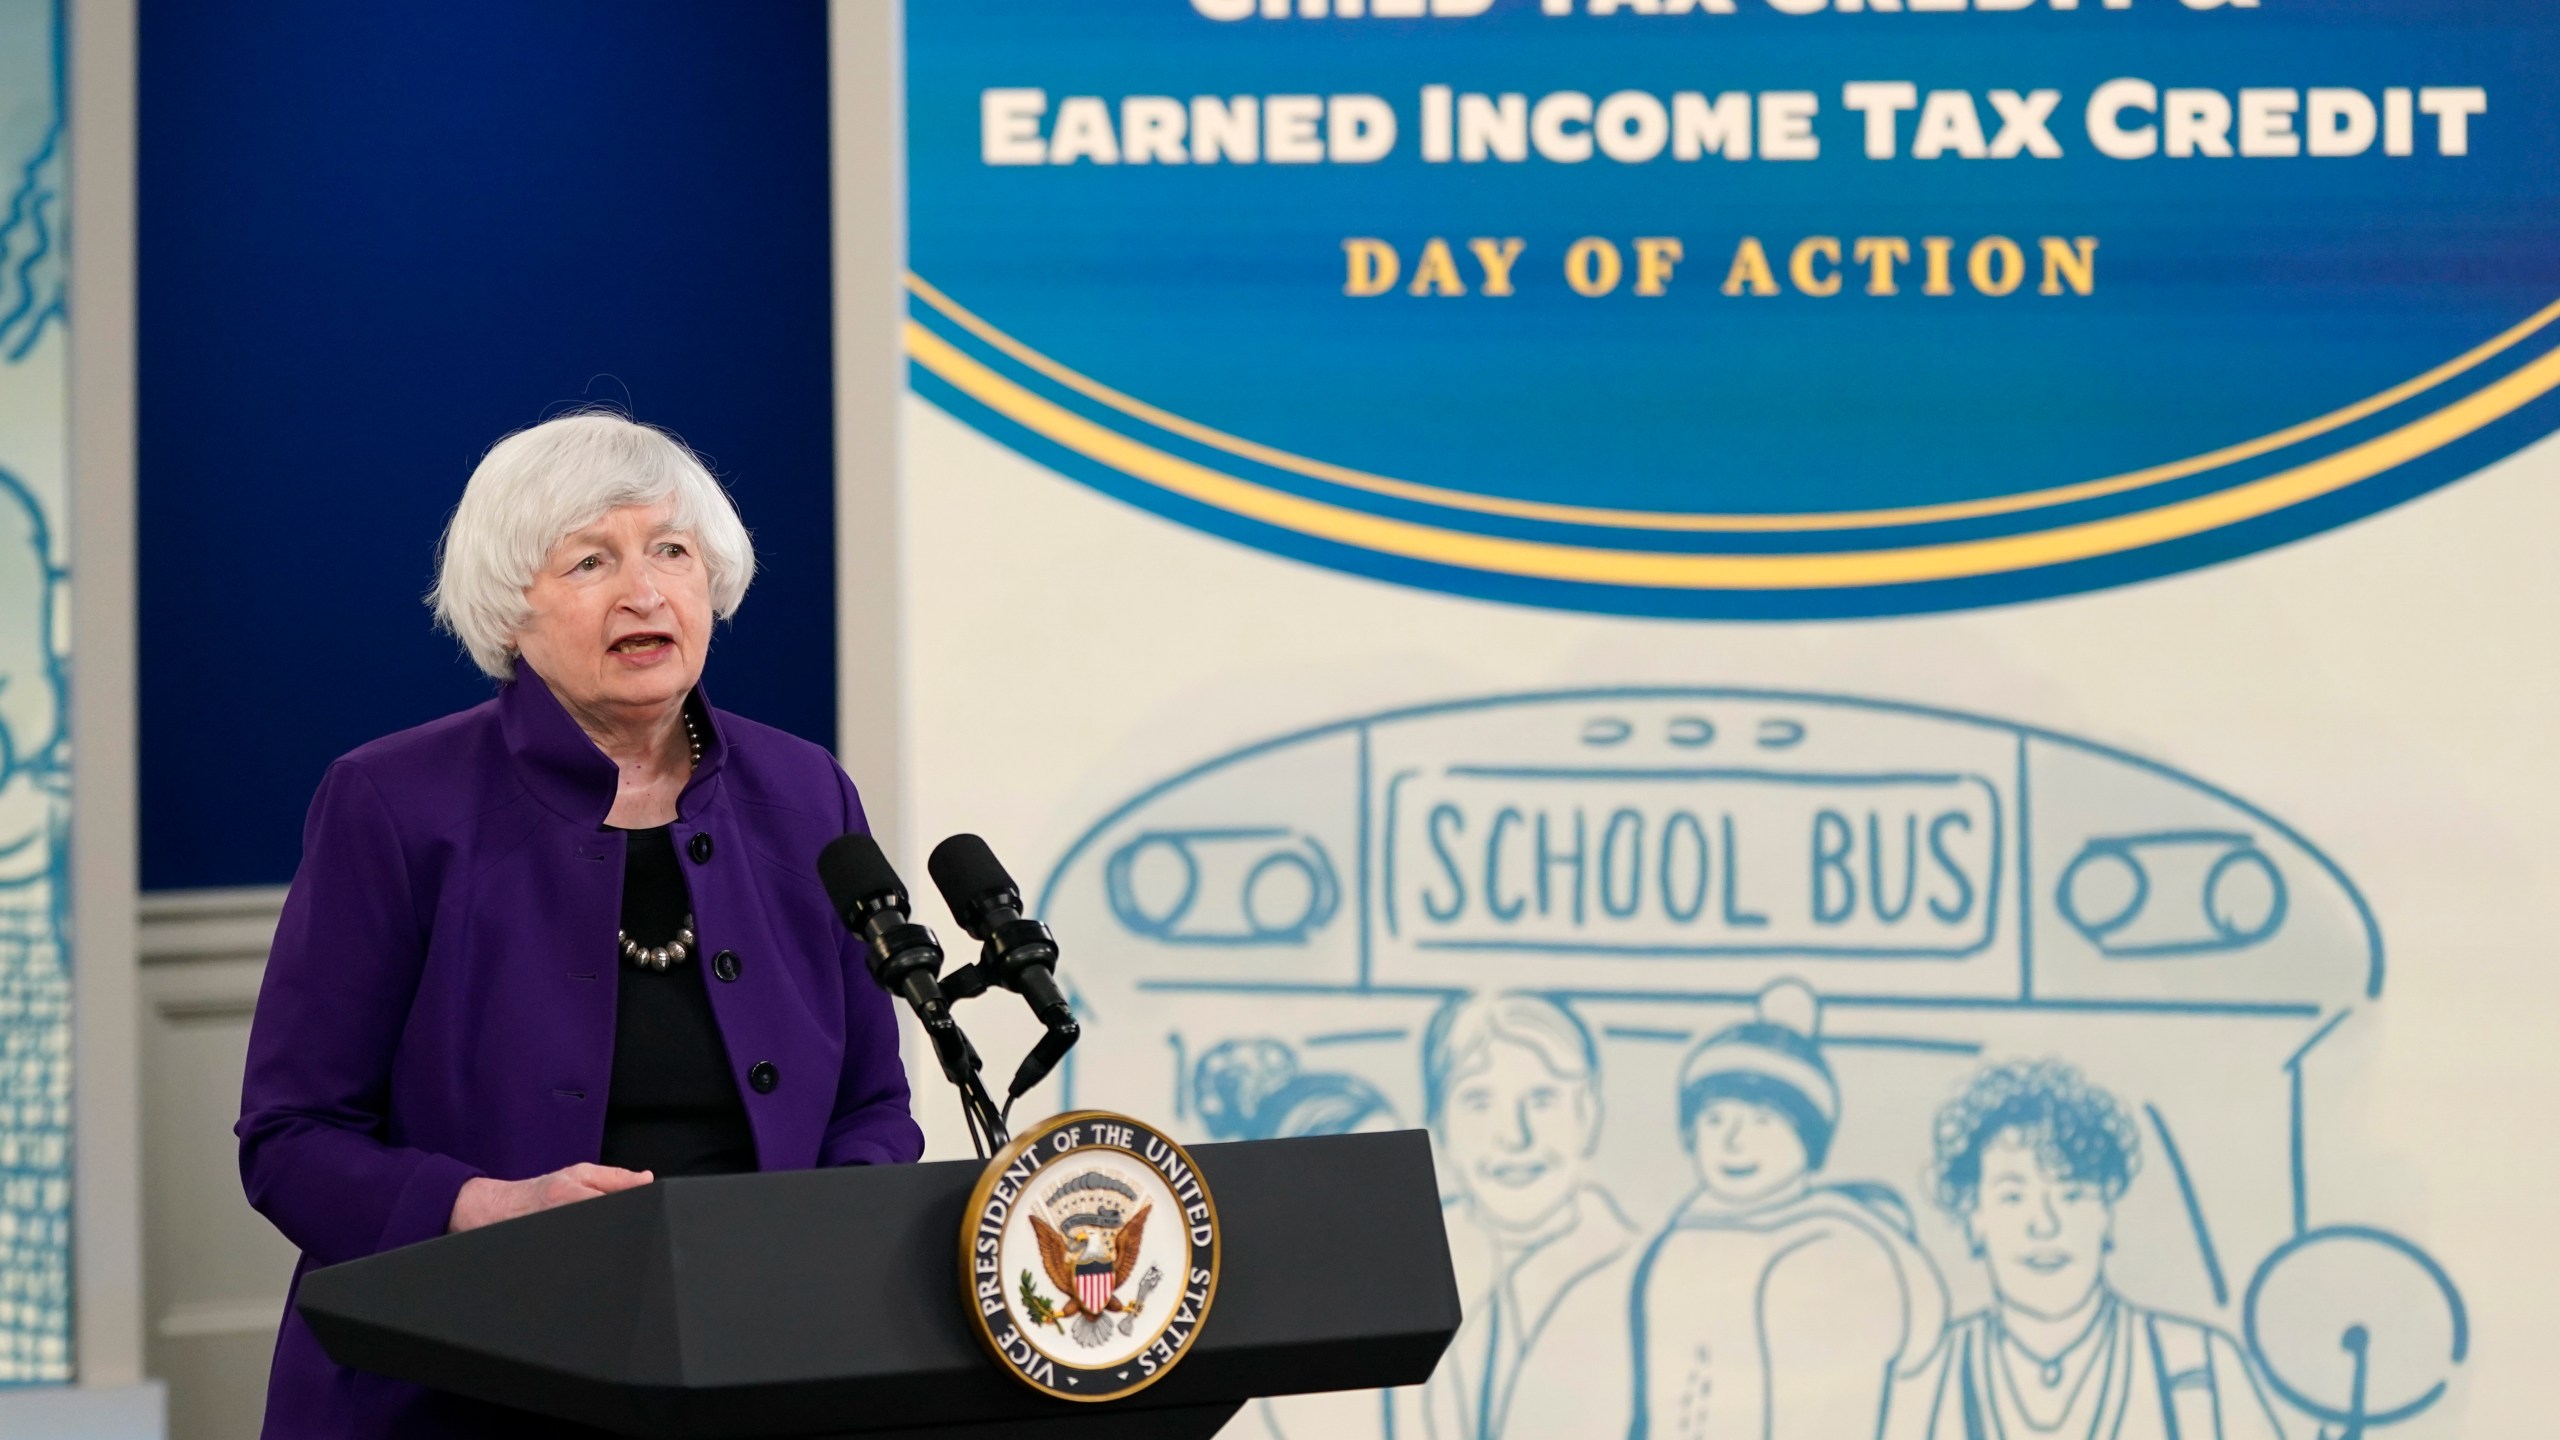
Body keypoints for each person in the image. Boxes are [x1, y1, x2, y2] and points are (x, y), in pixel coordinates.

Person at [235, 412, 924, 1438]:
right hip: (461, 1379)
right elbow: (289, 1139)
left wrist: (813, 1244)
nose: (644, 591)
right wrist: (482, 1211)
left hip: (758, 1377)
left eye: (672, 553)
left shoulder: (806, 792)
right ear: (510, 612)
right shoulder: (393, 801)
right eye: (591, 561)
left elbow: (872, 1105)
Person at [1899, 1061, 2286, 1440]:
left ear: (2106, 1213)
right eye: (2013, 1197)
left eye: (2072, 1195)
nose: (2045, 1224)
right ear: (1974, 1217)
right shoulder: (1929, 1373)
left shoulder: (2201, 1368)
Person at [1630, 982, 1946, 1440]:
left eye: (1763, 1121)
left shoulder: (1835, 1249)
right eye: (1715, 1119)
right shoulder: (1683, 1236)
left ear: (1808, 1139)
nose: (1734, 1143)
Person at [1421, 994, 1638, 1440]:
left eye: (1543, 1100)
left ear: (1590, 1113)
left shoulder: (1642, 1274)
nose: (1514, 1136)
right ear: (1438, 1127)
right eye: (1478, 1102)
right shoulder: (1404, 1268)